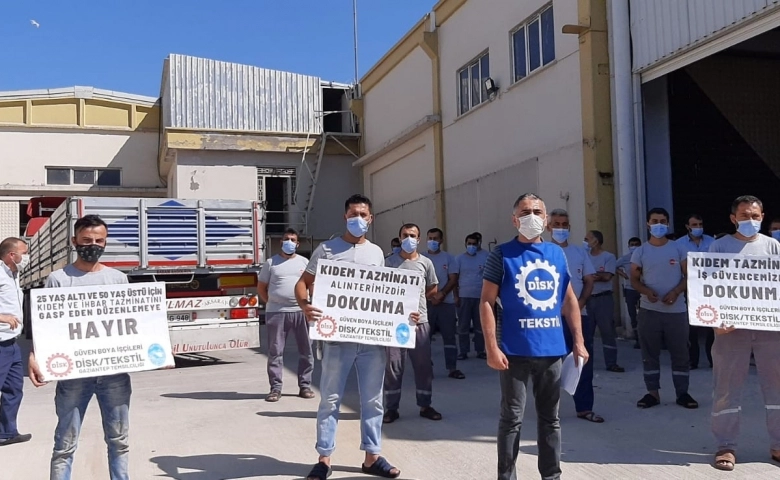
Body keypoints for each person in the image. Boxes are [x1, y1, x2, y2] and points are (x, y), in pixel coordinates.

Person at [481, 193, 588, 480]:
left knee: (550, 420)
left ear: (546, 219)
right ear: (514, 219)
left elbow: (568, 300)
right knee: (511, 419)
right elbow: (486, 302)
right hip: (513, 351)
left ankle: (551, 476)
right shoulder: (501, 254)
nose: (532, 217)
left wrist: (578, 341)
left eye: (537, 211)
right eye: (525, 212)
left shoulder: (556, 254)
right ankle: (507, 476)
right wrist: (491, 347)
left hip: (552, 350)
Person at [295, 194, 401, 480]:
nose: (358, 219)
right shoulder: (327, 250)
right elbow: (303, 284)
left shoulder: (377, 253)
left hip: (371, 341)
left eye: (363, 214)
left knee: (373, 400)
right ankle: (324, 458)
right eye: (353, 213)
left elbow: (387, 296)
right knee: (330, 399)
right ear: (345, 216)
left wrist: (405, 316)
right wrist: (306, 306)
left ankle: (372, 456)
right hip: (336, 338)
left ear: (371, 218)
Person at [28, 215, 132, 480]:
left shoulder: (118, 279)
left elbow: (132, 324)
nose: (93, 245)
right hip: (73, 375)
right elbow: (45, 325)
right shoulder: (58, 279)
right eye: (87, 240)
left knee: (119, 442)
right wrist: (34, 356)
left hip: (114, 375)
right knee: (64, 444)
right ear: (74, 241)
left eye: (99, 240)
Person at [708, 195, 780, 472]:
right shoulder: (719, 247)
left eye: (755, 215)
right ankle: (725, 446)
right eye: (744, 215)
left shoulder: (774, 248)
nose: (750, 220)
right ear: (733, 218)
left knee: (776, 388)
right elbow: (707, 286)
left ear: (762, 217)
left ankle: (777, 444)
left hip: (770, 330)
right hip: (729, 331)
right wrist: (715, 320)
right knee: (726, 388)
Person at [630, 208, 698, 410]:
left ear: (667, 224)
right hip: (649, 310)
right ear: (648, 224)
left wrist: (676, 292)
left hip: (676, 311)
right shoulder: (640, 251)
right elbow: (634, 279)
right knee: (649, 353)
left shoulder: (678, 249)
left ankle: (682, 393)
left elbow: (688, 275)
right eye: (654, 221)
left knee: (680, 354)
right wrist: (645, 291)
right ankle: (652, 393)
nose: (658, 224)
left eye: (662, 221)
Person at [548, 209, 603, 423]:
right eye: (556, 224)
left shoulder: (580, 252)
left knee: (582, 361)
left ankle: (584, 407)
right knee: (549, 365)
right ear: (548, 227)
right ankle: (549, 410)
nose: (561, 228)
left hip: (580, 315)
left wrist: (578, 304)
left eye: (564, 224)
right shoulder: (542, 251)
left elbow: (589, 281)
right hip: (550, 318)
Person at [384, 224, 441, 423]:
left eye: (413, 235)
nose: (409, 239)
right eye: (405, 235)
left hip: (420, 324)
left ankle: (425, 405)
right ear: (399, 238)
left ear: (419, 239)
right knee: (394, 367)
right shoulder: (389, 263)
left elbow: (433, 287)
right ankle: (391, 408)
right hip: (396, 325)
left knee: (423, 366)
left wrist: (417, 305)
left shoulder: (426, 263)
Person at [258, 228, 314, 403]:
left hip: (301, 312)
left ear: (297, 244)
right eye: (286, 238)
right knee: (275, 352)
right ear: (281, 242)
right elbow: (261, 287)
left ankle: (305, 386)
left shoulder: (305, 262)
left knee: (307, 351)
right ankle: (275, 389)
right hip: (277, 313)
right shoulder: (271, 263)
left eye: (292, 239)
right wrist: (273, 302)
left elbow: (311, 285)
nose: (289, 241)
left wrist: (310, 305)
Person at [0, 237, 32, 447]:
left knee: (14, 388)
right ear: (12, 255)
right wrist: (2, 317)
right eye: (24, 252)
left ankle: (6, 433)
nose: (26, 257)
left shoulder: (12, 274)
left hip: (11, 343)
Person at [423, 227, 465, 379]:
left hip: (445, 303)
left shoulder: (449, 258)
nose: (432, 241)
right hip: (426, 304)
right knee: (423, 339)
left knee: (449, 337)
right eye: (430, 238)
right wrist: (430, 297)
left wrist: (442, 294)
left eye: (435, 238)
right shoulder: (421, 258)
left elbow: (453, 279)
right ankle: (426, 369)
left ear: (441, 240)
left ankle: (452, 368)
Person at [675, 214, 715, 370]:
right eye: (694, 224)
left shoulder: (713, 242)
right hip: (689, 289)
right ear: (687, 226)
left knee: (713, 326)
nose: (698, 227)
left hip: (711, 289)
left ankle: (713, 360)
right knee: (690, 329)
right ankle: (692, 360)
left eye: (700, 224)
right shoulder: (678, 245)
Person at [584, 230, 623, 372]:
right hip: (587, 299)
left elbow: (607, 276)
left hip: (603, 299)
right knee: (586, 333)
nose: (585, 242)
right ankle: (585, 364)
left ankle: (611, 363)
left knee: (607, 332)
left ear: (596, 240)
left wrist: (591, 276)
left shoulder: (608, 257)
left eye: (587, 239)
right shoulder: (584, 256)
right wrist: (594, 275)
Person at [456, 232, 488, 360]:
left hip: (480, 297)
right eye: (469, 244)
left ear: (478, 244)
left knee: (480, 326)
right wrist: (456, 296)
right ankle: (463, 351)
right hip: (464, 296)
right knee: (463, 325)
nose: (471, 246)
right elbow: (454, 278)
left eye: (474, 244)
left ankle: (480, 350)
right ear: (465, 244)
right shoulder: (459, 259)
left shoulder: (485, 256)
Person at [616, 237, 642, 349]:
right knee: (633, 316)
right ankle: (638, 339)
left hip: (644, 289)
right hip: (630, 289)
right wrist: (624, 275)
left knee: (645, 316)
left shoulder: (644, 256)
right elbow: (614, 266)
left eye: (637, 244)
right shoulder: (625, 258)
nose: (634, 246)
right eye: (632, 244)